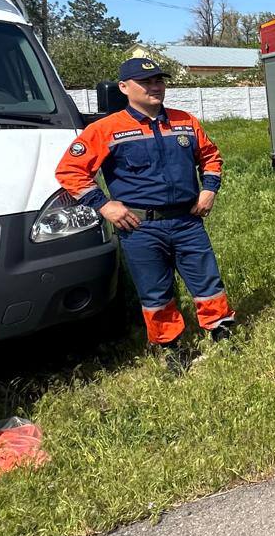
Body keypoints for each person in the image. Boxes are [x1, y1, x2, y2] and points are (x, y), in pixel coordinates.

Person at [55, 58, 234, 372]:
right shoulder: (106, 129)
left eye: (159, 81)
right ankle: (171, 349)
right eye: (146, 82)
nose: (155, 87)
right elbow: (70, 171)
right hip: (140, 227)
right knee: (155, 291)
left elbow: (210, 156)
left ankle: (224, 334)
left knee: (208, 281)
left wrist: (209, 189)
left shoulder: (185, 121)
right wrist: (104, 204)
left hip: (187, 221)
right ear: (124, 88)